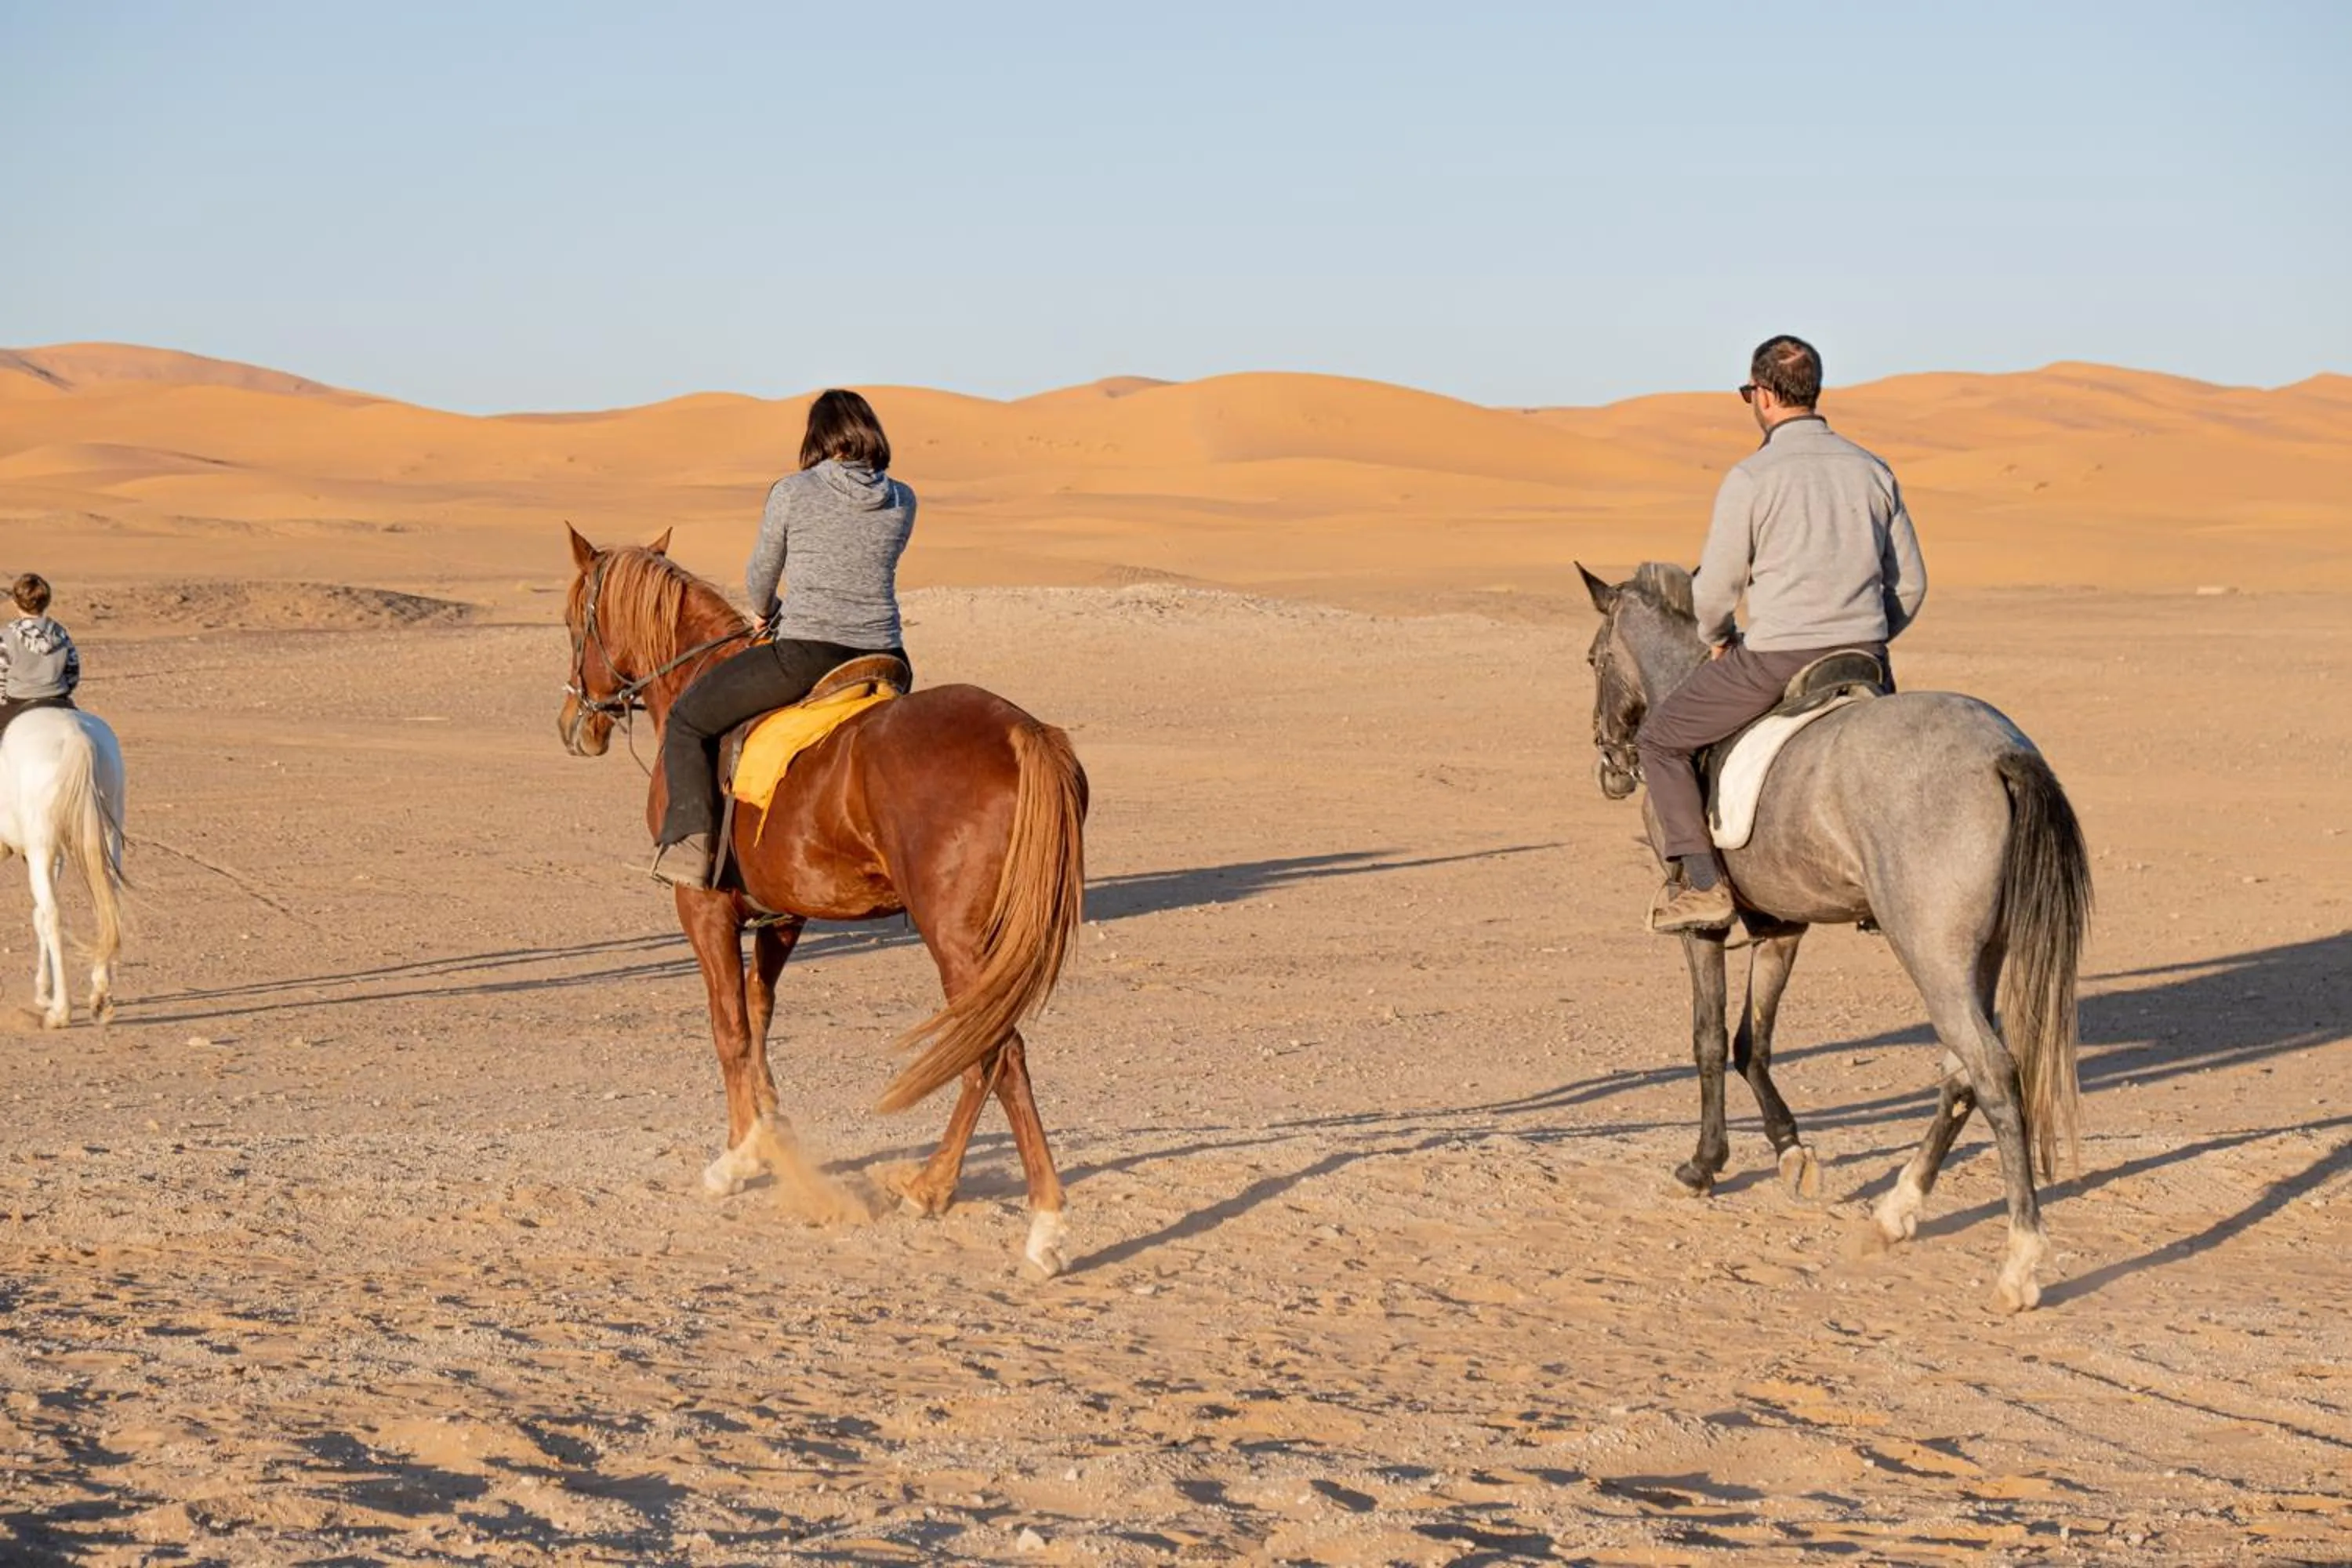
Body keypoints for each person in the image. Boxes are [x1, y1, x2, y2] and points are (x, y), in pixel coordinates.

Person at [1639, 335, 1927, 934]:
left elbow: (1715, 590)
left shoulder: (1752, 477)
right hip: (1865, 660)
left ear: (1764, 395)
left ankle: (1703, 885)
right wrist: (1868, 633)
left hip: (1776, 658)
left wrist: (1717, 635)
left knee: (1661, 740)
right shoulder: (1873, 470)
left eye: (1749, 392)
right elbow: (1912, 586)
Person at [649, 390, 916, 890]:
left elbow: (761, 575)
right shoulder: (903, 499)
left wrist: (764, 612)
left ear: (817, 436)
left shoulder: (794, 491)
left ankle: (691, 848)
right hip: (887, 658)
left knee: (687, 719)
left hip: (809, 653)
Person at [0, 573, 83, 744]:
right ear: (47, 602)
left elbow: (1, 677)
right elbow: (73, 672)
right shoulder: (61, 634)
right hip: (58, 700)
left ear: (15, 603)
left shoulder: (6, 637)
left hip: (17, 703)